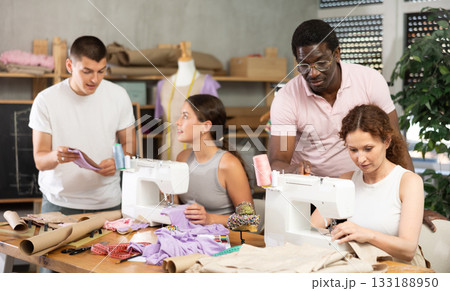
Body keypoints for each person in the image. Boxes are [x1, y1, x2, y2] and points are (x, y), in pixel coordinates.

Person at [268, 19, 444, 231]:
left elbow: (395, 140)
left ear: (337, 54)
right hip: (313, 195)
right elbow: (277, 160)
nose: (312, 73)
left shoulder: (369, 80)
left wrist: (414, 206)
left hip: (361, 190)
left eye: (321, 63)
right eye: (303, 65)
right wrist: (292, 170)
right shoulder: (287, 97)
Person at [29, 35, 136, 215]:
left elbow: (130, 145)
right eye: (87, 71)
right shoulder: (45, 100)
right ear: (70, 66)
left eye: (101, 71)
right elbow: (40, 160)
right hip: (59, 203)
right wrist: (56, 156)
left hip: (108, 202)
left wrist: (119, 162)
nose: (95, 79)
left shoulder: (119, 96)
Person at [311, 104, 426, 266]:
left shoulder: (408, 182)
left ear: (387, 141)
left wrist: (366, 234)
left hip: (398, 269)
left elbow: (408, 250)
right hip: (360, 265)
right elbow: (312, 227)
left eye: (368, 148)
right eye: (353, 150)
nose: (361, 159)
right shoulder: (346, 181)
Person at [174, 94, 254, 226]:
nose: (178, 122)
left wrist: (210, 219)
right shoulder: (182, 158)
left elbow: (250, 221)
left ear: (205, 127)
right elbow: (179, 206)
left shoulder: (229, 165)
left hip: (224, 241)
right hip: (191, 237)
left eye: (185, 116)